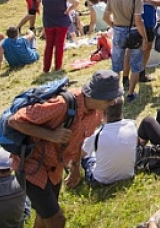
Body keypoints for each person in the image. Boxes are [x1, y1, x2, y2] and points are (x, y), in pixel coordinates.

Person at [7, 70, 121, 228]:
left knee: (44, 216)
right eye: (110, 98)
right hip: (31, 166)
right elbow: (15, 121)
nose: (113, 102)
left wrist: (75, 165)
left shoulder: (97, 113)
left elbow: (80, 139)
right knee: (57, 220)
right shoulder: (62, 105)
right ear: (95, 95)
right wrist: (50, 135)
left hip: (54, 168)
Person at [104, 0, 148, 102]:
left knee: (116, 64)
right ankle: (130, 93)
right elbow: (138, 20)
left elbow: (106, 17)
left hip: (118, 30)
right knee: (135, 63)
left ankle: (115, 93)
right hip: (134, 31)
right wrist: (144, 37)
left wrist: (114, 26)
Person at [80, 98, 137, 186]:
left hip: (101, 180)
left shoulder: (97, 135)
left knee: (87, 157)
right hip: (128, 175)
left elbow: (81, 154)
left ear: (102, 114)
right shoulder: (132, 125)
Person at [40, 0, 80, 73]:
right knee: (59, 45)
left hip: (48, 22)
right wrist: (68, 10)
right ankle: (58, 67)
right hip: (62, 22)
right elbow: (76, 2)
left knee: (49, 45)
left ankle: (46, 68)